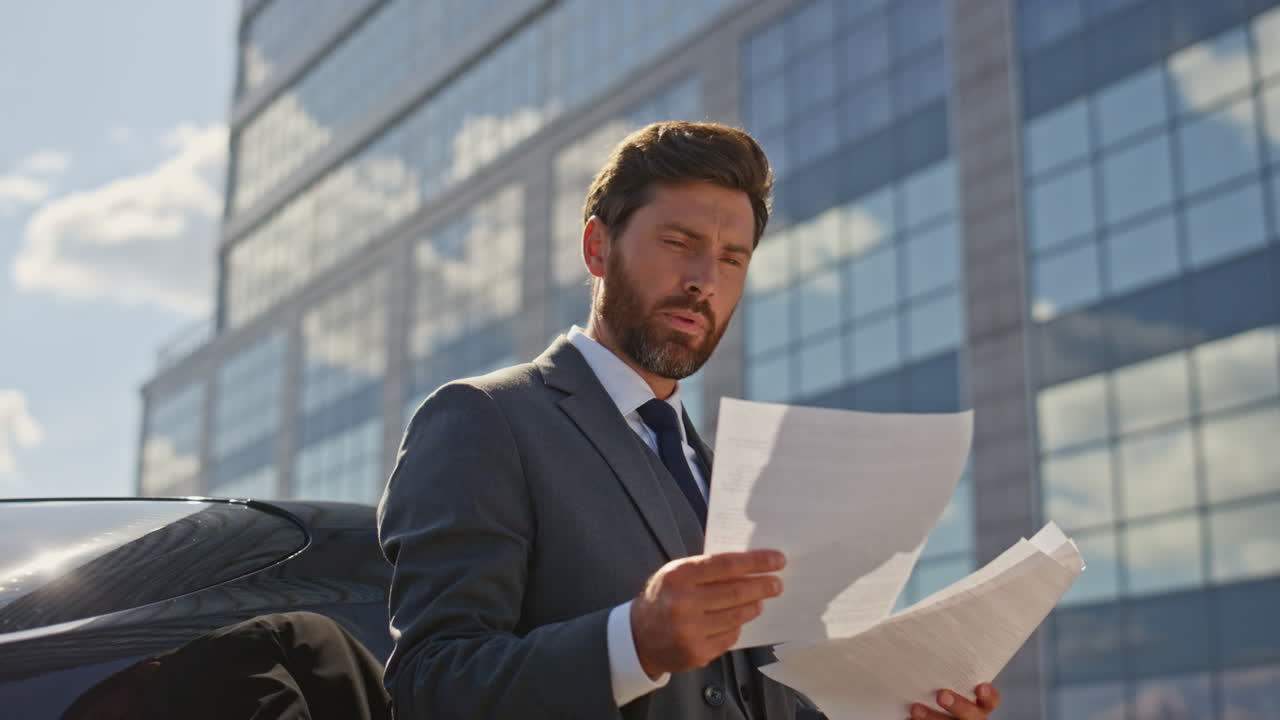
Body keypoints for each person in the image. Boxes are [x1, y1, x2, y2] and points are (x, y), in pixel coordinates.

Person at [377, 121, 1001, 720]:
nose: (706, 281)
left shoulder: (727, 476)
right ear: (598, 247)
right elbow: (428, 686)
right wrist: (632, 642)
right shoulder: (483, 420)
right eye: (679, 244)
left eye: (733, 259)